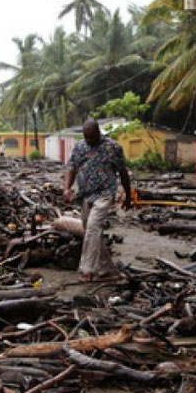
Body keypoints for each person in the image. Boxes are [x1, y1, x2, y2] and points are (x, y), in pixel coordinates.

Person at [63, 119, 131, 282]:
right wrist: (66, 188)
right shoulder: (80, 147)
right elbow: (72, 168)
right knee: (91, 232)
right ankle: (108, 270)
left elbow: (123, 173)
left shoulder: (113, 148)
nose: (89, 140)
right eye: (86, 137)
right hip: (86, 195)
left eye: (91, 137)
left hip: (105, 194)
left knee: (93, 227)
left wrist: (128, 195)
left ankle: (88, 270)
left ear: (98, 133)